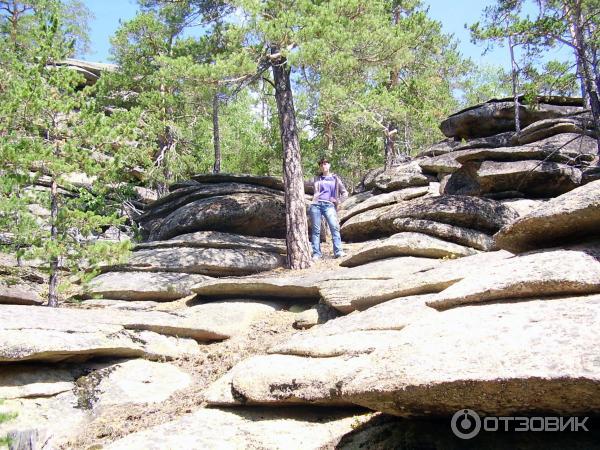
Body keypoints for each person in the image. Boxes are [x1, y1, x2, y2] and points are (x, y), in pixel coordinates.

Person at [309, 157, 348, 260]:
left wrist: (337, 200)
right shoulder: (317, 178)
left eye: (325, 163)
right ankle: (317, 253)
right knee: (316, 230)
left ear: (329, 165)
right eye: (321, 164)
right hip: (316, 205)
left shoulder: (335, 178)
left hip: (329, 205)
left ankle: (338, 251)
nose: (323, 165)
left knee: (334, 227)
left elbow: (345, 193)